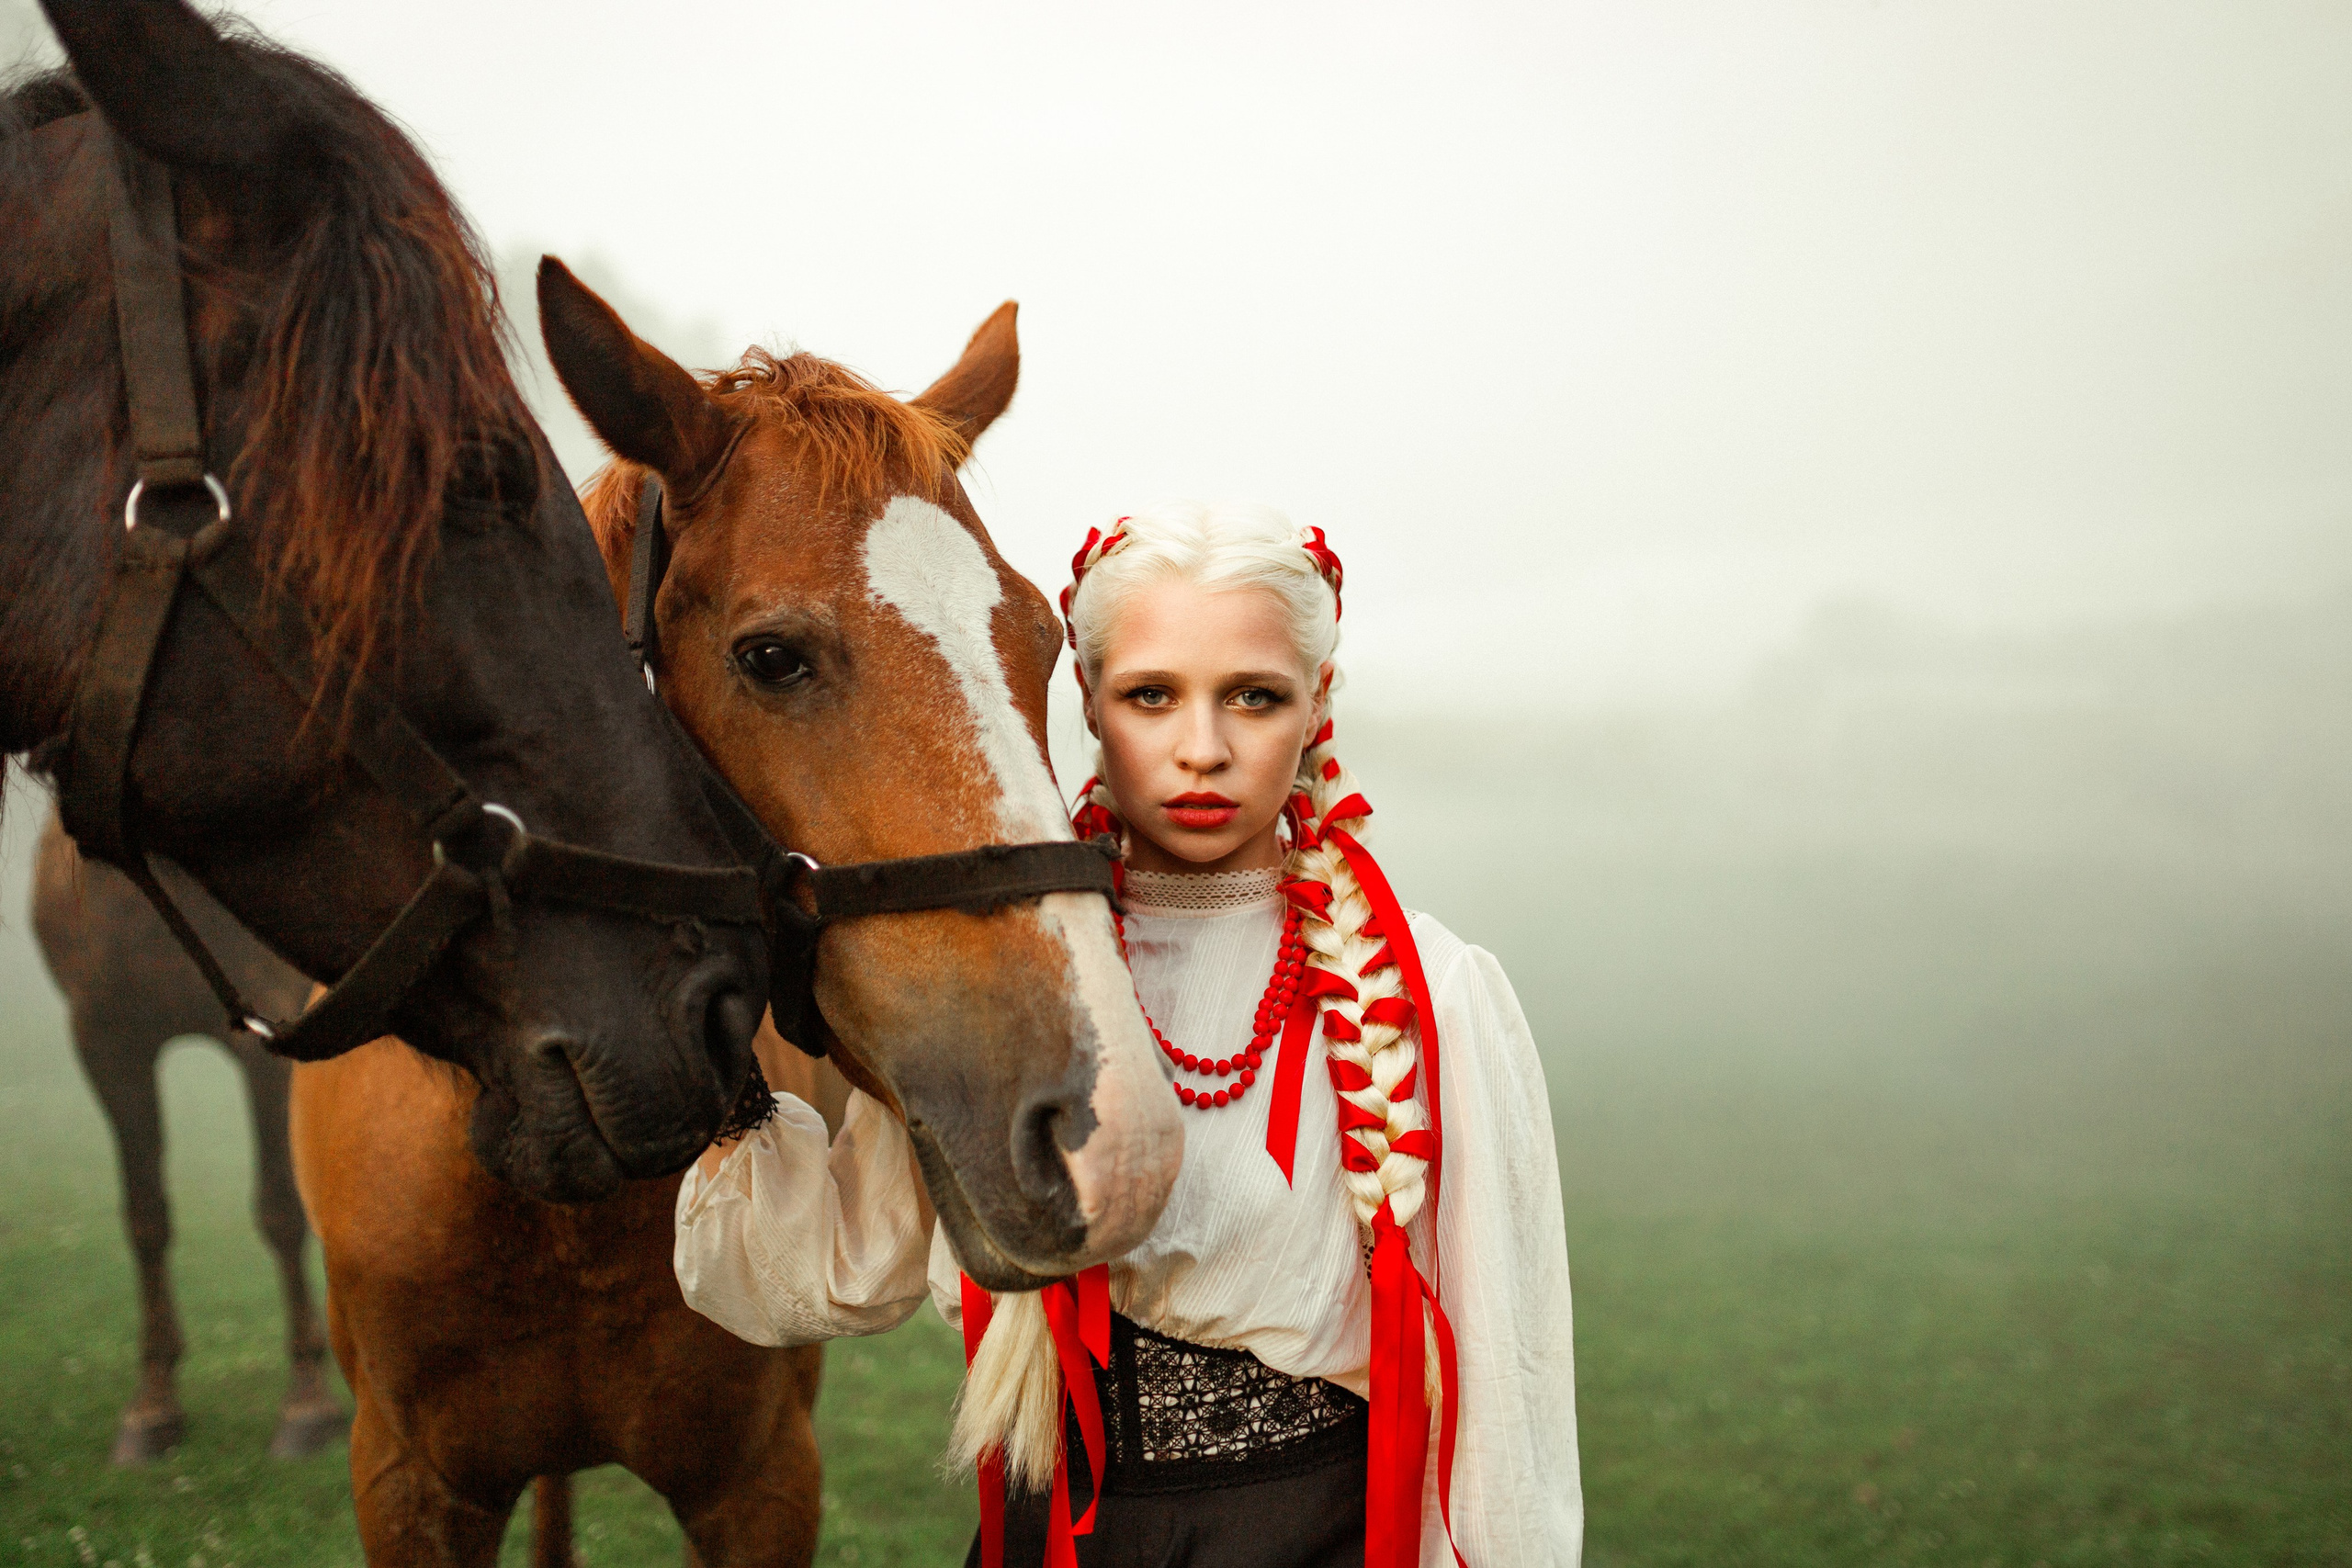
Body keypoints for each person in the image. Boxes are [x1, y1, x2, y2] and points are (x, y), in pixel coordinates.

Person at [673, 502, 1581, 1567]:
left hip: (1308, 1540)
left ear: (1317, 705)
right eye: (1153, 696)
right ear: (1091, 707)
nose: (1203, 750)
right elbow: (842, 1264)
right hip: (1050, 1533)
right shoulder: (1000, 980)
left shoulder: (1426, 991)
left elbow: (1501, 1392)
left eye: (1254, 697)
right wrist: (723, 1080)